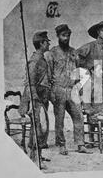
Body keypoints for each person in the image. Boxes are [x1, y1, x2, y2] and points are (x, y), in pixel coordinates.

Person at [46, 24, 90, 155]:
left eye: (68, 35)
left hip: (71, 89)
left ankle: (80, 144)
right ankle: (61, 145)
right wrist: (51, 92)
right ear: (58, 36)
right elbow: (48, 73)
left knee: (78, 116)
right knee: (59, 119)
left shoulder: (73, 52)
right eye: (63, 35)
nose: (66, 38)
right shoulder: (52, 53)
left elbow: (77, 71)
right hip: (58, 89)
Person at [18, 31, 51, 161]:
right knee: (39, 126)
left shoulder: (41, 58)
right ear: (42, 43)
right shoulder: (35, 60)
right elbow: (30, 82)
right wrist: (34, 99)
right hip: (36, 97)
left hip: (42, 96)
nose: (48, 43)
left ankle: (38, 155)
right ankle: (34, 157)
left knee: (41, 126)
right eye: (47, 41)